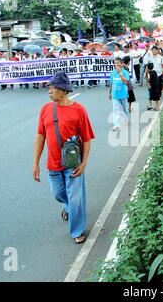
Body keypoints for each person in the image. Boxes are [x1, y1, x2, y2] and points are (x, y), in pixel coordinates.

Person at [33, 71, 95, 244]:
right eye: (49, 87)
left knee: (75, 198)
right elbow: (40, 136)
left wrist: (84, 163)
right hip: (53, 164)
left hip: (73, 163)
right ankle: (69, 208)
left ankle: (77, 230)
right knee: (58, 193)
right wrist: (35, 163)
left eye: (53, 88)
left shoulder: (79, 110)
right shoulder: (45, 109)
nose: (49, 91)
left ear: (63, 90)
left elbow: (87, 139)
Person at [109, 58, 130, 132]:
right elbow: (111, 83)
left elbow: (125, 82)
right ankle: (116, 125)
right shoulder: (112, 73)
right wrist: (110, 93)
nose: (116, 65)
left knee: (125, 109)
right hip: (115, 94)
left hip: (123, 94)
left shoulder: (125, 73)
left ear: (122, 64)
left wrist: (120, 73)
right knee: (115, 110)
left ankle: (126, 119)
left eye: (118, 63)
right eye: (115, 63)